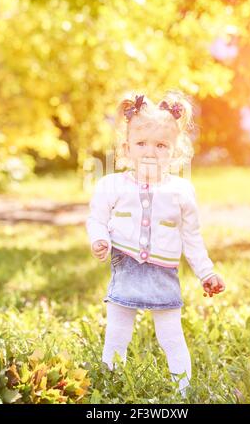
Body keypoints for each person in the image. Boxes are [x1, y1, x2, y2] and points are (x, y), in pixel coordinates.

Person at [86, 90, 225, 398]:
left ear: (175, 151)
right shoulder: (110, 185)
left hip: (163, 274)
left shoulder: (181, 191)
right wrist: (100, 239)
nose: (151, 151)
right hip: (127, 268)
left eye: (161, 145)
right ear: (127, 147)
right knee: (117, 333)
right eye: (142, 144)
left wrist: (206, 273)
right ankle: (111, 386)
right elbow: (96, 219)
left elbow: (192, 238)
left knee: (171, 336)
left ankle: (183, 391)